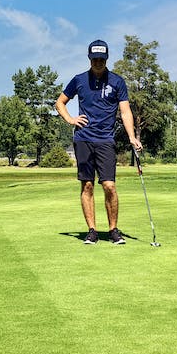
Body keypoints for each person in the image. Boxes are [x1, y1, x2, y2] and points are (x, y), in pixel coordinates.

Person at [56, 40, 142, 245]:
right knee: (87, 185)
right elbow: (60, 102)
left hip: (105, 140)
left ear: (106, 59)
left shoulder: (117, 81)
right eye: (94, 59)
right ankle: (92, 230)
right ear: (89, 58)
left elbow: (125, 111)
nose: (98, 62)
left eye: (101, 59)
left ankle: (113, 230)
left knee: (109, 186)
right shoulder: (78, 80)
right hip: (83, 139)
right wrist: (71, 119)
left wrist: (131, 136)